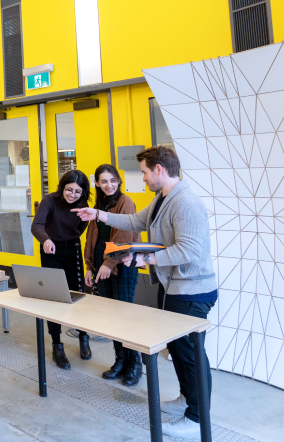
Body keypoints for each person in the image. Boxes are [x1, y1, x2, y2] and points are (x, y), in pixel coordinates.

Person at [72, 146, 216, 440]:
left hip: (192, 290)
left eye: (145, 172)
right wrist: (98, 214)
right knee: (176, 348)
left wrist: (144, 259)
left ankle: (198, 418)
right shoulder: (163, 199)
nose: (143, 178)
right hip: (173, 288)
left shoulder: (185, 202)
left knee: (190, 353)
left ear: (160, 170)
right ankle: (186, 401)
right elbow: (135, 222)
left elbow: (189, 250)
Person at [83, 164, 143, 386]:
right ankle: (120, 360)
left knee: (124, 314)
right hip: (101, 259)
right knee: (110, 314)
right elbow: (92, 237)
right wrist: (90, 265)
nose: (108, 185)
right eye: (103, 181)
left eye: (112, 180)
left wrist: (109, 263)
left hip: (122, 261)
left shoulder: (125, 202)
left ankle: (134, 363)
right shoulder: (98, 205)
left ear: (118, 181)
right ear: (97, 183)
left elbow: (125, 234)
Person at [31, 169, 92, 370]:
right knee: (54, 297)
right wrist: (46, 240)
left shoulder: (83, 205)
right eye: (69, 190)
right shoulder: (50, 200)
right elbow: (36, 226)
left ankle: (84, 336)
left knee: (79, 293)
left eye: (77, 192)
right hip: (51, 249)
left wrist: (72, 236)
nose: (72, 195)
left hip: (72, 248)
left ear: (83, 193)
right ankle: (57, 344)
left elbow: (81, 228)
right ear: (62, 187)